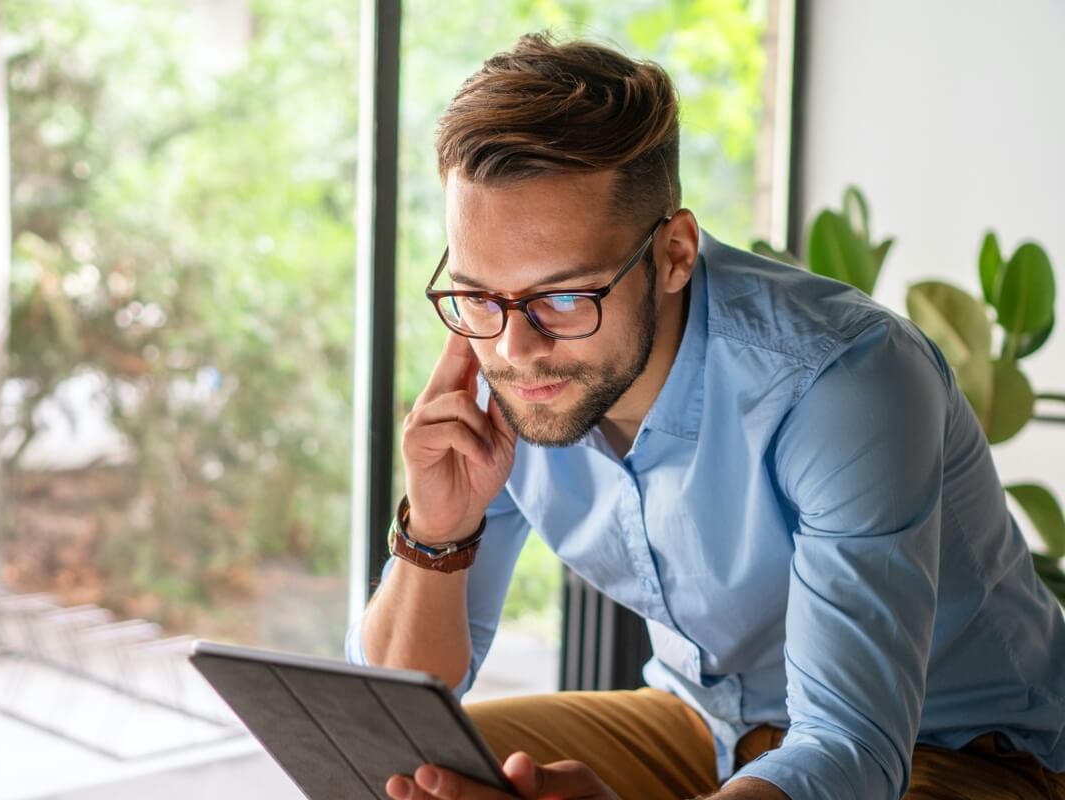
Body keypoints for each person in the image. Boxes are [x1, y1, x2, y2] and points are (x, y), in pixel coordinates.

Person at [345, 33, 1065, 800]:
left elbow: (851, 750)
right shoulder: (504, 359)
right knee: (393, 775)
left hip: (959, 749)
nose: (517, 348)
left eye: (564, 296)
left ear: (675, 254)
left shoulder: (844, 380)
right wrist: (438, 532)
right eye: (480, 294)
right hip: (701, 723)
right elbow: (388, 709)